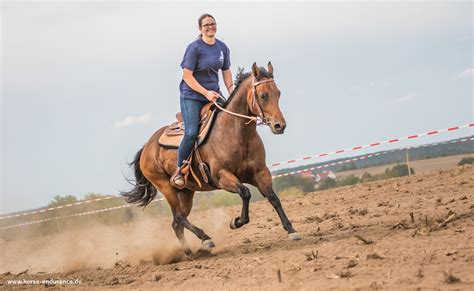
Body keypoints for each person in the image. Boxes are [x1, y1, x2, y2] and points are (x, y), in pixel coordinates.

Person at [171, 13, 234, 189]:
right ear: (200, 28)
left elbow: (226, 70)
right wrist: (206, 92)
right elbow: (187, 76)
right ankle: (180, 170)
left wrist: (231, 91)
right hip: (192, 96)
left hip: (214, 94)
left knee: (230, 122)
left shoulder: (222, 47)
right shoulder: (194, 48)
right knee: (191, 132)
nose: (210, 27)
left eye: (212, 24)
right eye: (206, 25)